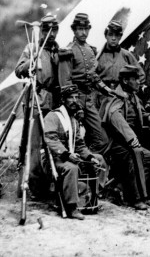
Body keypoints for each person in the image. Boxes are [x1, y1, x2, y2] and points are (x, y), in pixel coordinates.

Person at [14, 13, 61, 197]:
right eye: (46, 29)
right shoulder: (32, 47)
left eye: (53, 30)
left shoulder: (57, 50)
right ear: (41, 30)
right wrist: (30, 64)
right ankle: (31, 187)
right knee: (33, 146)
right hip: (36, 101)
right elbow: (18, 70)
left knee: (52, 143)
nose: (50, 34)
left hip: (54, 103)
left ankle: (50, 184)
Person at [44, 86, 106, 220]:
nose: (74, 100)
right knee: (72, 168)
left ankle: (91, 196)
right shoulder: (53, 116)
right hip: (55, 158)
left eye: (76, 97)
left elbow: (79, 144)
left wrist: (89, 157)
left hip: (71, 155)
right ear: (63, 99)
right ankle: (71, 207)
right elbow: (51, 139)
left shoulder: (74, 119)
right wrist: (67, 155)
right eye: (70, 97)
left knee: (99, 159)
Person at [99, 65, 150, 210]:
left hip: (129, 141)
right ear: (125, 80)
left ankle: (125, 188)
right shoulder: (115, 97)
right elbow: (115, 117)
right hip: (115, 142)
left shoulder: (133, 97)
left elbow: (138, 112)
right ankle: (135, 199)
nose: (139, 82)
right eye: (135, 79)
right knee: (134, 155)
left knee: (149, 156)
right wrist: (131, 138)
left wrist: (148, 117)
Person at [58, 13, 110, 154]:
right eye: (80, 29)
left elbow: (93, 75)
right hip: (74, 100)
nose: (84, 32)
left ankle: (88, 163)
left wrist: (106, 89)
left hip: (89, 99)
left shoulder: (90, 50)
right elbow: (65, 82)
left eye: (86, 29)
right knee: (72, 140)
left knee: (102, 139)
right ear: (74, 30)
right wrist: (75, 107)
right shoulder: (68, 51)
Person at [97, 20, 145, 90]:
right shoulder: (98, 56)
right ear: (106, 36)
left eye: (116, 35)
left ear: (120, 36)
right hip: (103, 95)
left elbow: (141, 75)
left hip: (123, 95)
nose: (113, 38)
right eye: (110, 34)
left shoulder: (127, 55)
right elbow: (91, 77)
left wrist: (130, 89)